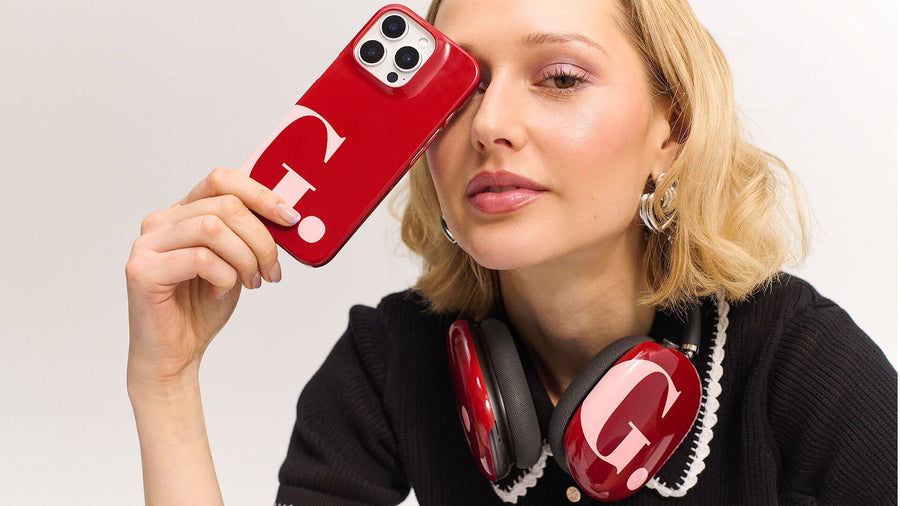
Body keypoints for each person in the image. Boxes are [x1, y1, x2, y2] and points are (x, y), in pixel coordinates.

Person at [125, 0, 897, 504]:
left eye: (559, 78)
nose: (489, 123)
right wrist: (166, 385)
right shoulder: (387, 361)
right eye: (458, 89)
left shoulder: (800, 361)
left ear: (674, 131)